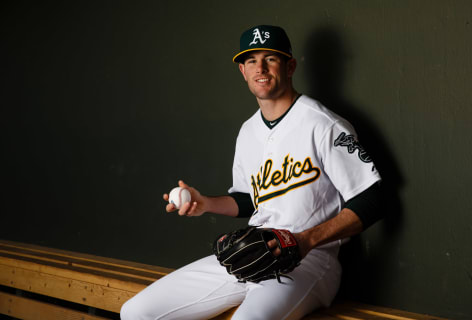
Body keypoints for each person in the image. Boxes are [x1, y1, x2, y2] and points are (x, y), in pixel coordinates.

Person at [121, 25, 382, 320]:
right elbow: (248, 199)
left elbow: (372, 199)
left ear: (290, 66)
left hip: (311, 261)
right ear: (243, 72)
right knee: (136, 312)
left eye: (270, 58)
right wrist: (204, 202)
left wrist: (306, 240)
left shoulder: (323, 124)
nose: (260, 67)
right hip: (251, 251)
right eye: (251, 60)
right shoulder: (248, 131)